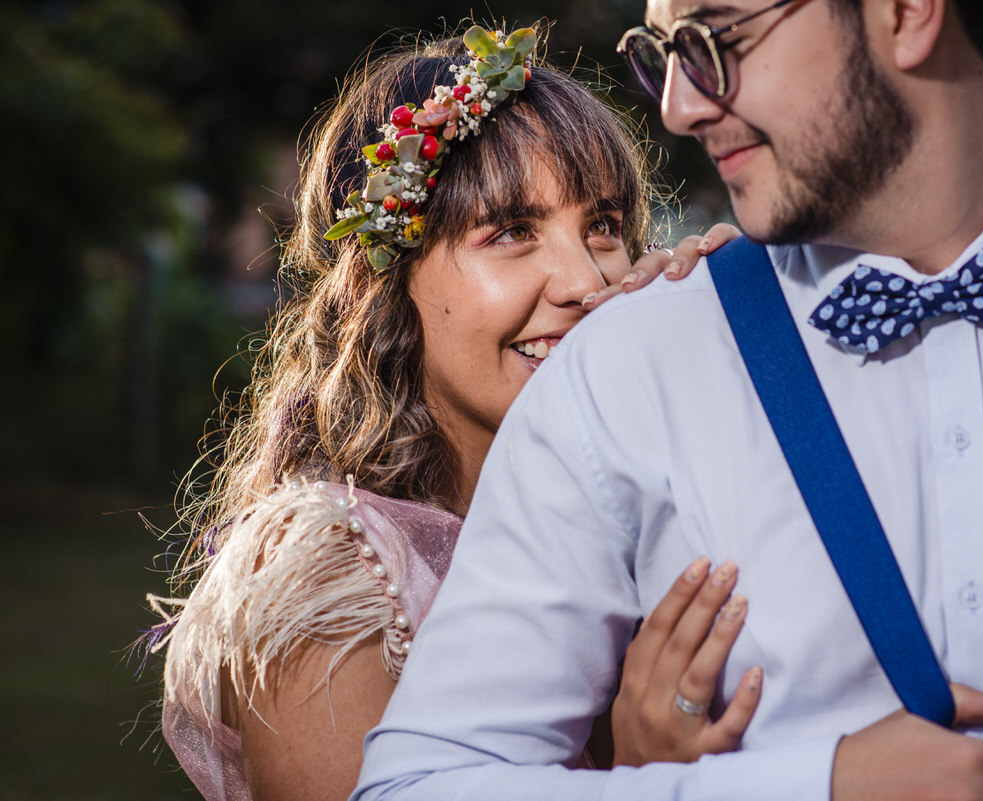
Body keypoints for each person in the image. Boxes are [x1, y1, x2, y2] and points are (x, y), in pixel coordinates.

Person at [352, 0, 983, 799]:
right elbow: (420, 784)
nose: (679, 108)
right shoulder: (626, 372)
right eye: (665, 56)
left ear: (907, 12)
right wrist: (810, 786)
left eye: (717, 39)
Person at [145, 27, 755, 801]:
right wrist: (645, 777)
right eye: (511, 232)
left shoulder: (632, 511)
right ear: (388, 282)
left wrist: (746, 362)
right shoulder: (333, 582)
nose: (587, 281)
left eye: (601, 225)